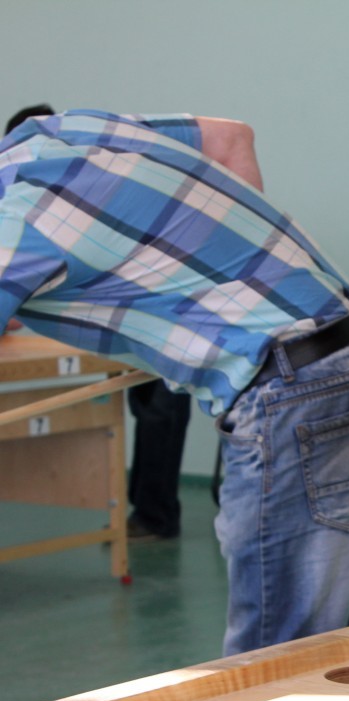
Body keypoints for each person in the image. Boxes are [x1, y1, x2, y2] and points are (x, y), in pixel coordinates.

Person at [0, 109, 349, 656]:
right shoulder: (57, 132)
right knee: (336, 645)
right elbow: (232, 138)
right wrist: (234, 285)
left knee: (275, 663)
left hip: (298, 386)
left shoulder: (11, 225)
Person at [5, 103, 194, 541]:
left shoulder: (85, 178)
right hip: (131, 317)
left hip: (165, 312)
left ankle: (155, 516)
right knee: (146, 410)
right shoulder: (50, 182)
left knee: (161, 414)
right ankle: (147, 510)